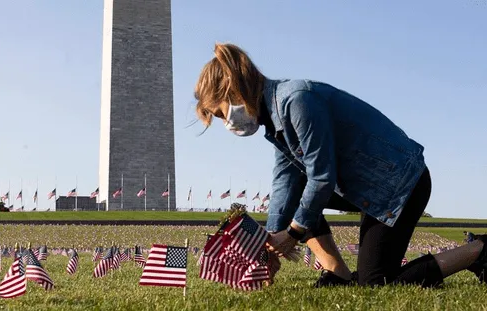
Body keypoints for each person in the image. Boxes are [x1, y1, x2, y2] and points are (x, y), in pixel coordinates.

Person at [193, 43, 486, 287]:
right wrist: (269, 245)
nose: (225, 123)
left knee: (376, 282)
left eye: (219, 114)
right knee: (297, 191)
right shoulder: (274, 117)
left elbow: (321, 176)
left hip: (399, 186)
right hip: (366, 189)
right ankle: (339, 274)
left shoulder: (297, 100)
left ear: (233, 89)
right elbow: (286, 181)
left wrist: (292, 234)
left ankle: (480, 251)